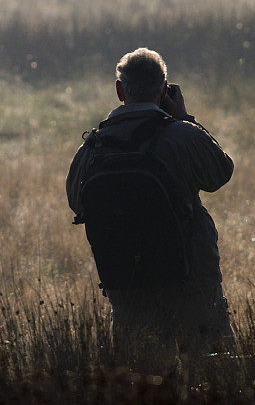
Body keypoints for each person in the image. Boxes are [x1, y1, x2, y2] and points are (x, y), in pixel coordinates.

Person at [66, 47, 234, 354]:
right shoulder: (181, 135)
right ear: (164, 90)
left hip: (125, 279)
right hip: (188, 274)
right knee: (209, 362)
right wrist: (186, 119)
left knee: (138, 370)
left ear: (120, 90)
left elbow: (77, 202)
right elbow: (220, 173)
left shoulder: (94, 146)